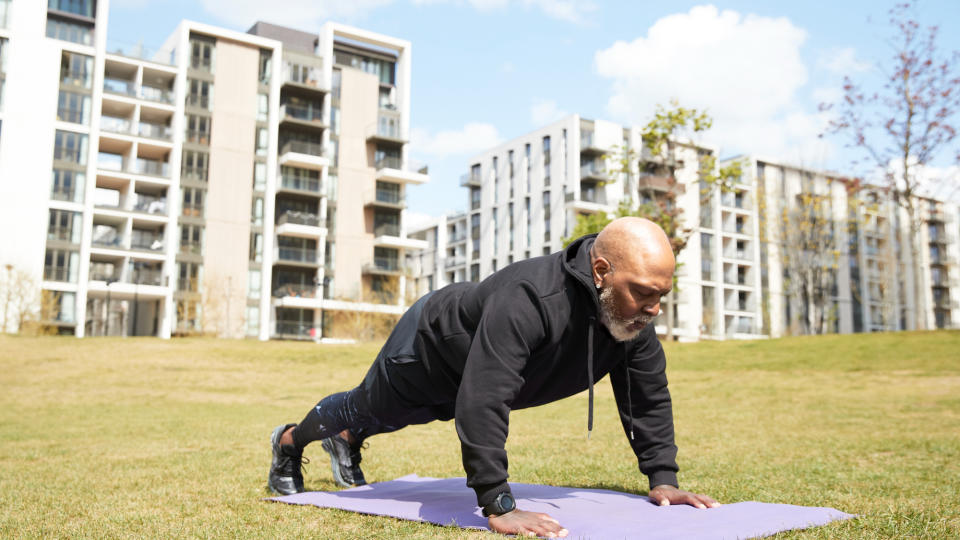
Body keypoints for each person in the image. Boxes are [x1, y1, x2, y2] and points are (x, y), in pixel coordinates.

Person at [268, 217, 719, 538]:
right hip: (429, 348)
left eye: (662, 295)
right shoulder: (530, 297)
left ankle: (346, 441)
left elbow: (648, 397)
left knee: (396, 419)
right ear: (602, 272)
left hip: (471, 375)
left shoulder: (630, 320)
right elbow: (484, 398)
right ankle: (289, 441)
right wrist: (498, 503)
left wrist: (663, 479)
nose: (654, 308)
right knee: (368, 408)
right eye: (643, 292)